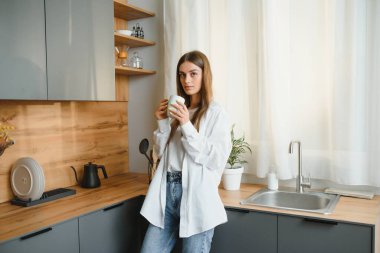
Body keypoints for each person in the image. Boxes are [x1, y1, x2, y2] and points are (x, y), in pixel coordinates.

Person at [140, 50, 232, 253]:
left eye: (193, 73)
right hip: (167, 194)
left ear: (204, 75)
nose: (186, 80)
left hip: (197, 199)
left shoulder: (216, 113)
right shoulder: (178, 111)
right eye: (182, 75)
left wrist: (187, 125)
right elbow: (159, 154)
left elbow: (216, 158)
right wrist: (163, 121)